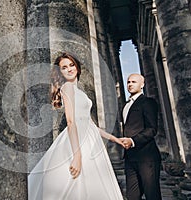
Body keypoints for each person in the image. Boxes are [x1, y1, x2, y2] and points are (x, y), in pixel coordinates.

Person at [28, 52, 124, 199]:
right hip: (77, 142)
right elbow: (71, 121)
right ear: (60, 72)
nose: (69, 69)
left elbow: (90, 123)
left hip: (89, 137)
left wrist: (114, 139)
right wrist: (77, 155)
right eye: (64, 67)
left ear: (77, 68)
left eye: (71, 65)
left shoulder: (79, 91)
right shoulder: (67, 87)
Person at [120, 74, 162, 200]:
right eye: (128, 82)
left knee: (152, 195)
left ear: (142, 85)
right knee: (132, 196)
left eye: (134, 82)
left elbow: (152, 129)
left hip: (147, 157)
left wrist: (133, 141)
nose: (130, 84)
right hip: (130, 157)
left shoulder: (148, 102)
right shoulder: (125, 105)